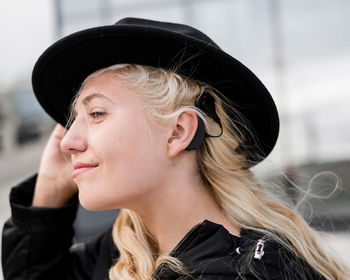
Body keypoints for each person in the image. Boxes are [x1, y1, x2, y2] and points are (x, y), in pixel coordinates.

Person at [2, 18, 349, 280]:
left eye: (96, 113)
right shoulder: (126, 250)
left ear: (178, 132)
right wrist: (48, 189)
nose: (67, 142)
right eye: (72, 120)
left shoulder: (244, 272)